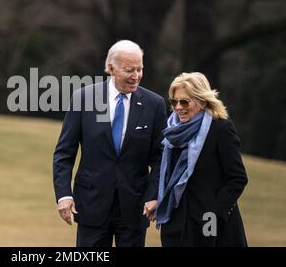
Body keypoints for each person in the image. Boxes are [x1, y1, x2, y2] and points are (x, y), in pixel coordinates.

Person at [53, 40, 167, 247]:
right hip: (91, 204)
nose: (136, 76)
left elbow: (160, 157)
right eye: (129, 70)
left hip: (135, 207)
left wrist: (154, 195)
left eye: (140, 69)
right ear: (111, 68)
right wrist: (63, 195)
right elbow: (64, 154)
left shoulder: (155, 104)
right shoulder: (84, 98)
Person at [155, 72, 248, 247]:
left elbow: (237, 178)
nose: (178, 107)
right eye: (174, 101)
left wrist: (215, 216)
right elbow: (164, 175)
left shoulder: (220, 129)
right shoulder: (171, 135)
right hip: (175, 225)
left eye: (184, 101)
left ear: (202, 101)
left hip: (211, 224)